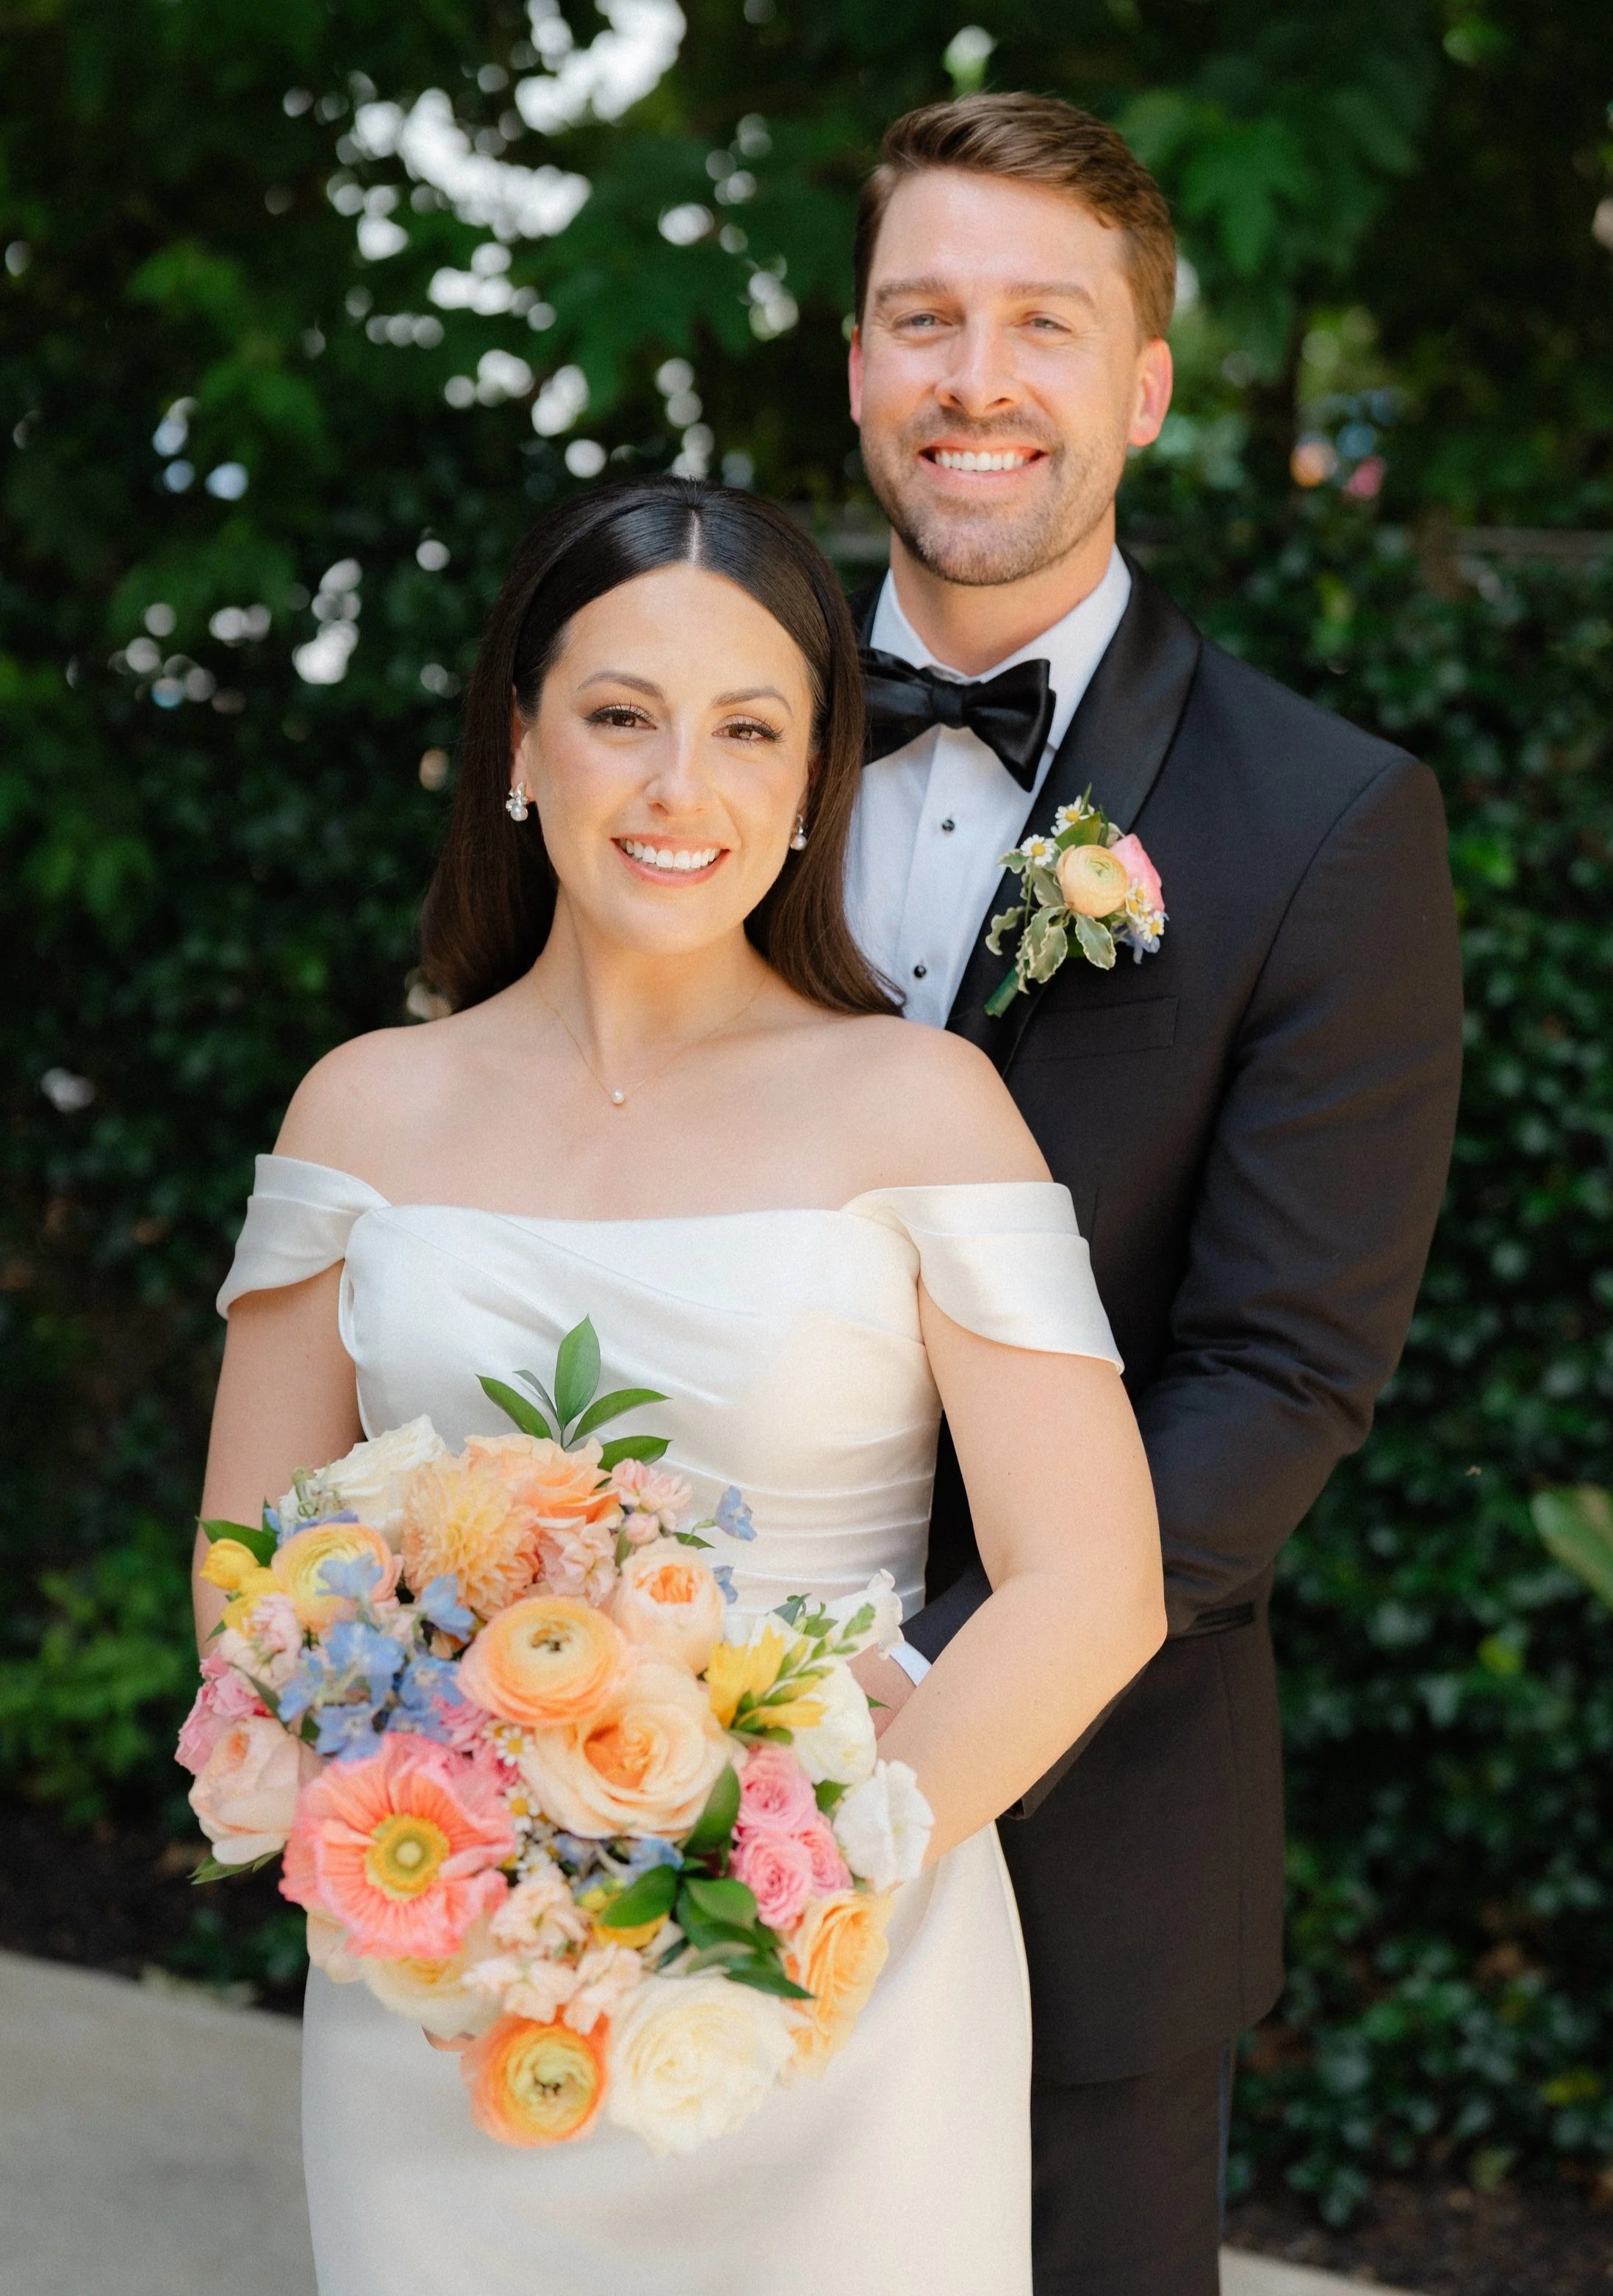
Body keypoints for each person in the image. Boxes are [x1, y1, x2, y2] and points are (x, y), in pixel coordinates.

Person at [191, 479, 1165, 2296]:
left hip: (833, 2009)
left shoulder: (921, 1105)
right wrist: (463, 1873)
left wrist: (803, 1883)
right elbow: (250, 1567)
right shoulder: (357, 1110)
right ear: (518, 742)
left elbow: (1089, 1582)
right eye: (619, 716)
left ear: (815, 779)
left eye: (746, 731)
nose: (675, 791)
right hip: (448, 2000)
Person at [839, 93, 1465, 2296]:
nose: (974, 378)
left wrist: (882, 1709)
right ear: (854, 368)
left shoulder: (1324, 822)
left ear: (1144, 388)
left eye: (1041, 322)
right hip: (635, 1738)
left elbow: (1279, 1375)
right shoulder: (707, 730)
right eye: (924, 317)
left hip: (1079, 1836)